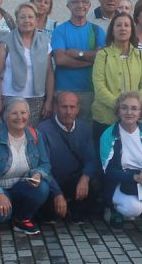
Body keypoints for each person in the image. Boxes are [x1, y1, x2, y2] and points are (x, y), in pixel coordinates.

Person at [0, 98, 54, 236]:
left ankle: (22, 219)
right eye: (14, 113)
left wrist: (38, 174)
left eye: (23, 113)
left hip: (20, 185)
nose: (20, 117)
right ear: (5, 116)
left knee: (42, 188)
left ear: (29, 115)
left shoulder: (35, 135)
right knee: (1, 215)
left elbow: (45, 164)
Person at [99, 92, 142, 235]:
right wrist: (135, 177)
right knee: (134, 210)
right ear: (118, 111)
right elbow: (109, 170)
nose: (129, 112)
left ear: (141, 112)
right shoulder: (108, 134)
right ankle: (114, 209)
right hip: (119, 180)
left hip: (141, 176)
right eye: (124, 108)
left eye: (134, 108)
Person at [36, 91, 101, 223]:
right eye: (64, 107)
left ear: (78, 109)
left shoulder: (84, 128)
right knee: (45, 200)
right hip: (52, 181)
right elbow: (44, 166)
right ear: (55, 107)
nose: (68, 112)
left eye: (72, 107)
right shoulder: (43, 129)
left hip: (74, 180)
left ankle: (76, 210)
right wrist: (58, 194)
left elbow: (91, 159)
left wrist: (85, 177)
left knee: (95, 181)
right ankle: (58, 208)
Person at [0, 3, 55, 127]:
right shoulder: (5, 42)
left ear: (36, 20)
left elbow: (49, 73)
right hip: (10, 96)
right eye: (23, 17)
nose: (27, 20)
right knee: (10, 132)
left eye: (31, 17)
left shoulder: (45, 42)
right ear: (16, 20)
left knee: (31, 135)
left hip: (36, 99)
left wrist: (49, 101)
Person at [91, 12, 142, 138]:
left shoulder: (140, 55)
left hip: (134, 120)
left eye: (126, 25)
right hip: (106, 118)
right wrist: (120, 107)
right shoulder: (103, 55)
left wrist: (133, 108)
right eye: (118, 25)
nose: (123, 28)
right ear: (112, 30)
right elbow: (99, 86)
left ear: (132, 30)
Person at [51, 0, 107, 122]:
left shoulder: (97, 31)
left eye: (84, 2)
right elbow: (60, 60)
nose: (80, 5)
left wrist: (78, 54)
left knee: (86, 134)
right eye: (75, 2)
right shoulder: (60, 30)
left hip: (90, 92)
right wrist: (91, 60)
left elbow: (102, 58)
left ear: (89, 5)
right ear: (68, 6)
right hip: (64, 91)